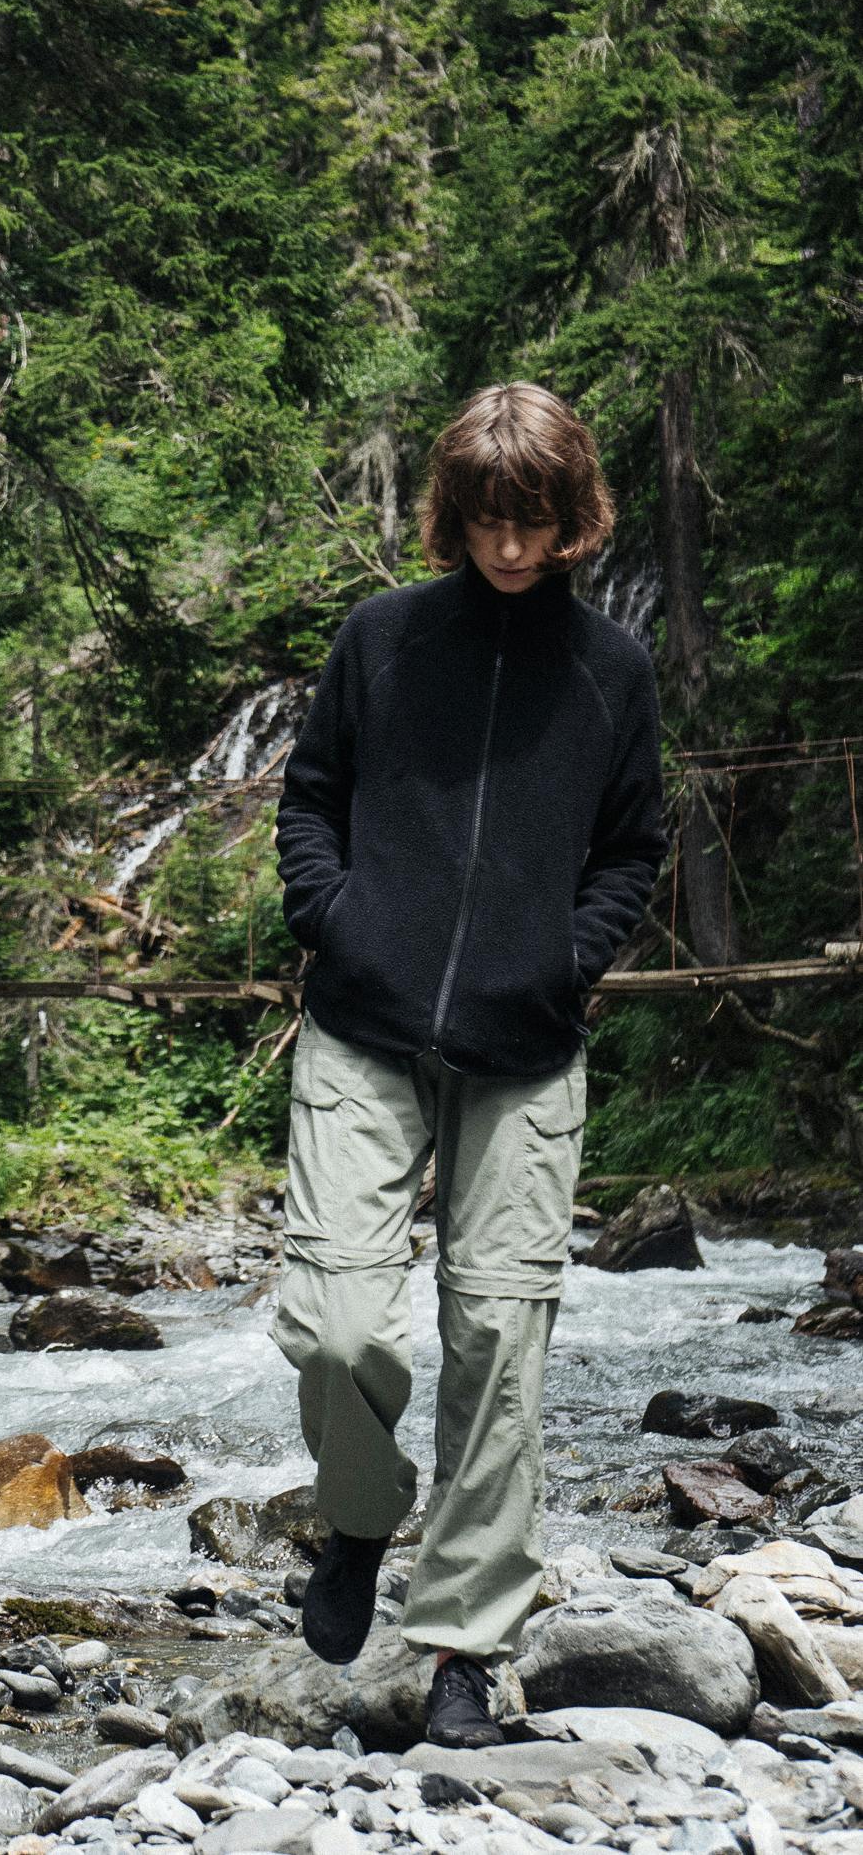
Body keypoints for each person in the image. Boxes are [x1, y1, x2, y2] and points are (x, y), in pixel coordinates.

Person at [271, 383, 666, 1749]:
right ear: (455, 515)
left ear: (573, 520)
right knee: (340, 1323)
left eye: (535, 522)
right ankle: (361, 1519)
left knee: (498, 1341)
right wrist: (339, 920)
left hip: (527, 1047)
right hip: (363, 1027)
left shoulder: (615, 671)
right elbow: (309, 798)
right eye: (490, 520)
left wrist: (568, 960)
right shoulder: (380, 640)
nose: (509, 548)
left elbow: (632, 849)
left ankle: (464, 1652)